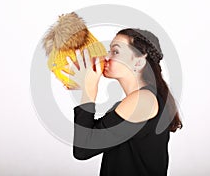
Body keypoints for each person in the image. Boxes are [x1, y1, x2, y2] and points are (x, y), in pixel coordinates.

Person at [62, 28, 183, 176]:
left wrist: (89, 90)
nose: (106, 57)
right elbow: (91, 136)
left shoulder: (142, 101)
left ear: (139, 62)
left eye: (115, 52)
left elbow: (83, 150)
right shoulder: (135, 101)